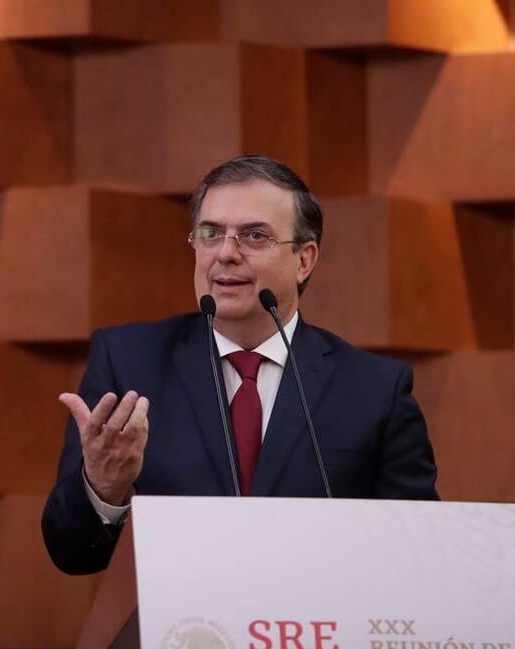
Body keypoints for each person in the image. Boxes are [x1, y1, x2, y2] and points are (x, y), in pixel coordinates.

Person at [41, 155, 438, 575]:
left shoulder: (374, 389)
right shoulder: (128, 362)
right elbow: (71, 553)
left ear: (305, 259)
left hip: (317, 633)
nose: (226, 254)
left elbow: (419, 554)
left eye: (254, 235)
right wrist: (104, 486)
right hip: (175, 634)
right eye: (210, 233)